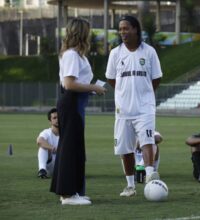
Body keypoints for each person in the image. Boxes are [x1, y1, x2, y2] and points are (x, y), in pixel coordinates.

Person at [50, 18, 106, 205]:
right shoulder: (72, 55)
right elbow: (69, 83)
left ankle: (73, 191)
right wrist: (93, 87)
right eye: (87, 31)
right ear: (81, 33)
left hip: (76, 102)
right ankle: (67, 195)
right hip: (71, 102)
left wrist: (91, 88)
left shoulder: (76, 54)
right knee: (70, 148)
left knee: (74, 148)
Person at [105, 15, 163, 197]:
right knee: (125, 149)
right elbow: (110, 78)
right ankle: (130, 186)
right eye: (120, 29)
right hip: (123, 110)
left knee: (147, 139)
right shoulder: (115, 53)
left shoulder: (149, 52)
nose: (123, 32)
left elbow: (157, 78)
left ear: (136, 29)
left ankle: (149, 174)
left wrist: (144, 94)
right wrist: (124, 93)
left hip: (145, 107)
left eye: (126, 28)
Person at [37, 108, 59, 179]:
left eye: (59, 117)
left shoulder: (67, 133)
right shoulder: (46, 132)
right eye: (54, 118)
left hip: (64, 164)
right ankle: (42, 170)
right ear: (50, 121)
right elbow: (39, 141)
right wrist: (52, 148)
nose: (57, 119)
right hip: (51, 166)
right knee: (42, 147)